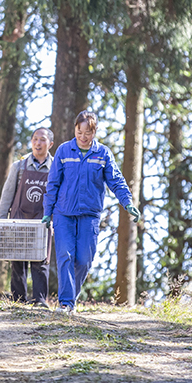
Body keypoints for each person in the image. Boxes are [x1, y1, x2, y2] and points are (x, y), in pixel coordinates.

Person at [42, 111, 141, 314]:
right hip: (64, 213)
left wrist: (127, 202)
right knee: (65, 256)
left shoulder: (103, 154)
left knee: (84, 260)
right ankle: (66, 303)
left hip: (90, 215)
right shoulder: (63, 151)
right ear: (75, 130)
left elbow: (116, 181)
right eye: (79, 131)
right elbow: (52, 183)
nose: (83, 136)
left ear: (94, 132)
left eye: (88, 132)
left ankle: (70, 300)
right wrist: (47, 211)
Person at [0, 127, 54, 308]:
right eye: (35, 139)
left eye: (42, 139)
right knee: (18, 261)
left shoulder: (56, 169)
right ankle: (18, 300)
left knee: (40, 261)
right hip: (18, 219)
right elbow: (7, 196)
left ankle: (40, 300)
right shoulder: (19, 166)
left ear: (50, 144)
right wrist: (1, 221)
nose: (38, 143)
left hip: (42, 222)